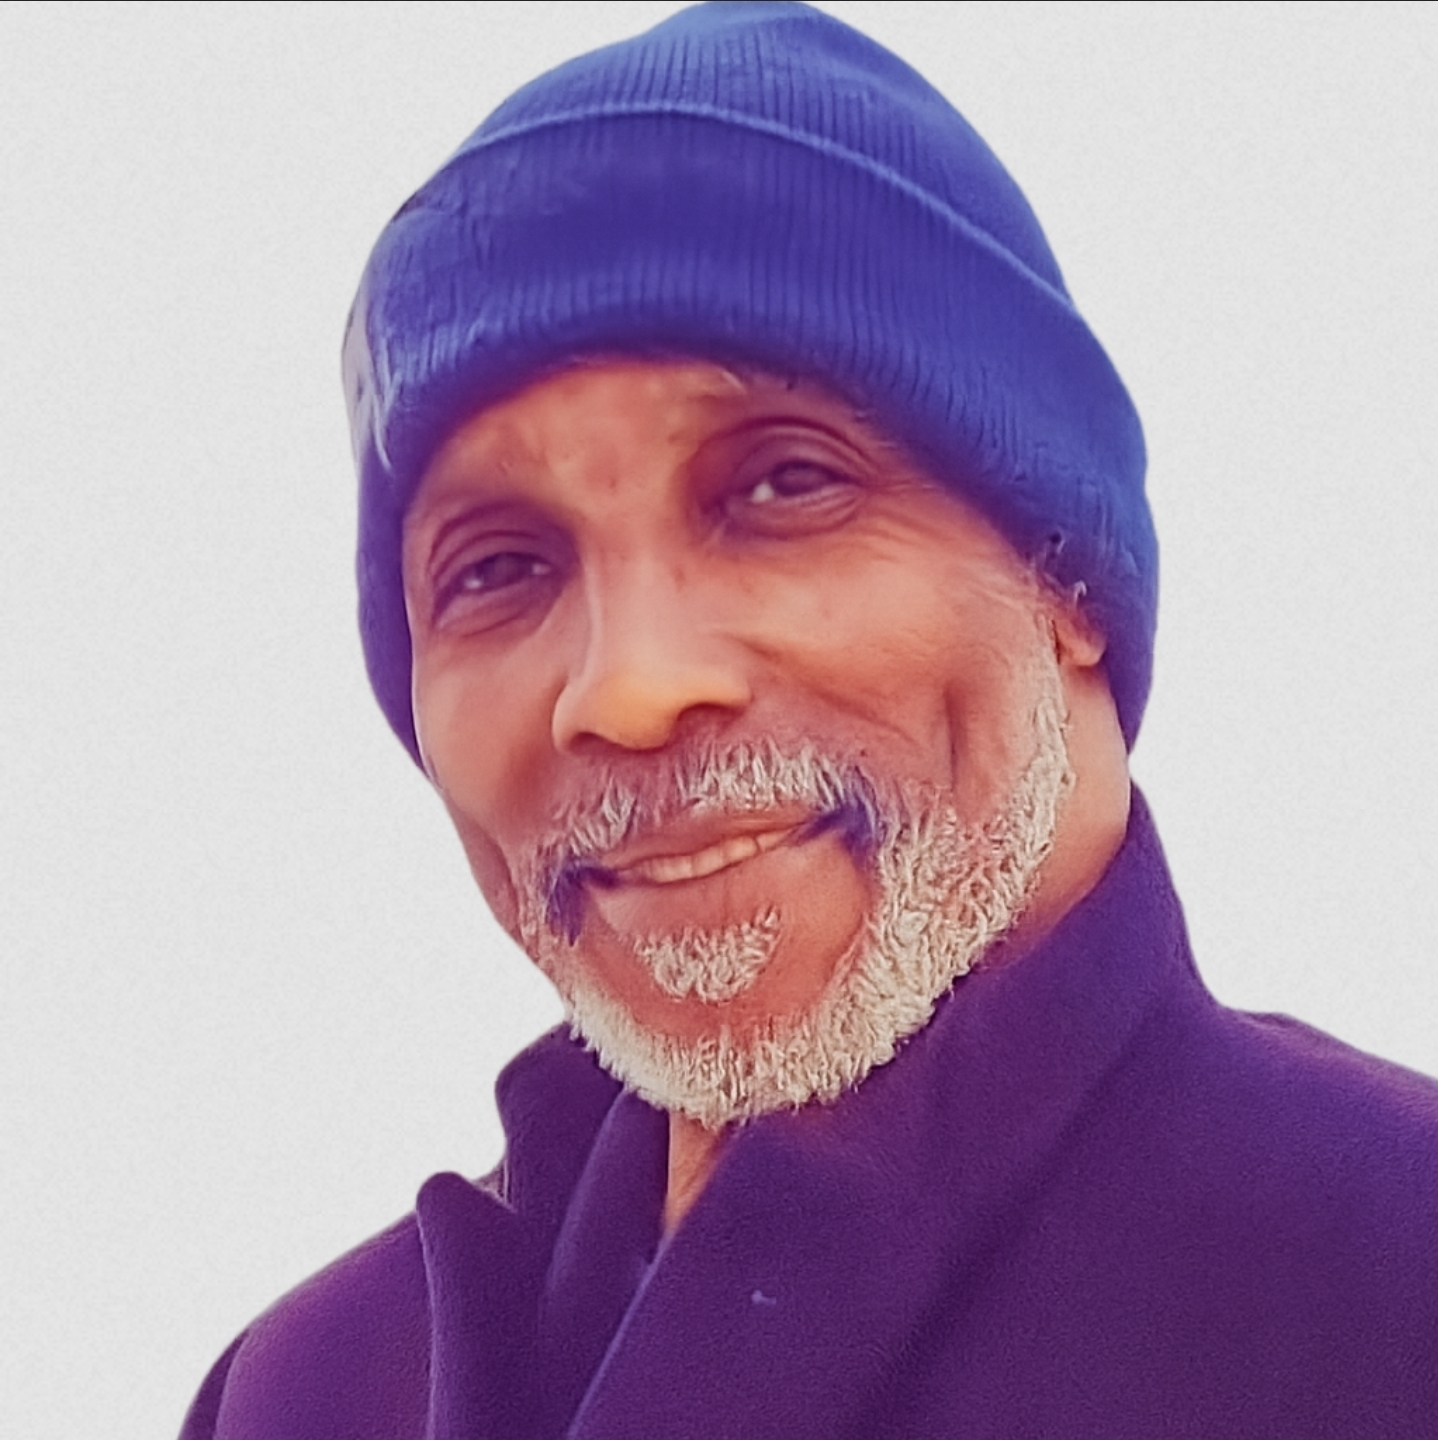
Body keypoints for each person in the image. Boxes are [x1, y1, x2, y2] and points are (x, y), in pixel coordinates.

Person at [181, 5, 1438, 1437]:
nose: (628, 686)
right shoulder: (317, 1388)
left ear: (1068, 576)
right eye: (498, 568)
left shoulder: (1394, 1289)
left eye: (783, 485)